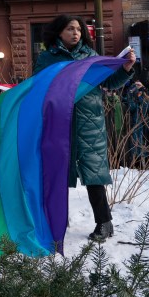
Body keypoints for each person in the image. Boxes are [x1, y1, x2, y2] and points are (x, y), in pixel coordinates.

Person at [33, 15, 135, 242]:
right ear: (59, 32)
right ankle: (55, 222)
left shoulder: (90, 56)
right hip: (58, 123)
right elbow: (38, 87)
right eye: (70, 29)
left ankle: (104, 223)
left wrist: (126, 69)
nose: (75, 33)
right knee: (56, 175)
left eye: (78, 29)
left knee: (94, 175)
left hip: (90, 123)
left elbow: (109, 82)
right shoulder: (47, 59)